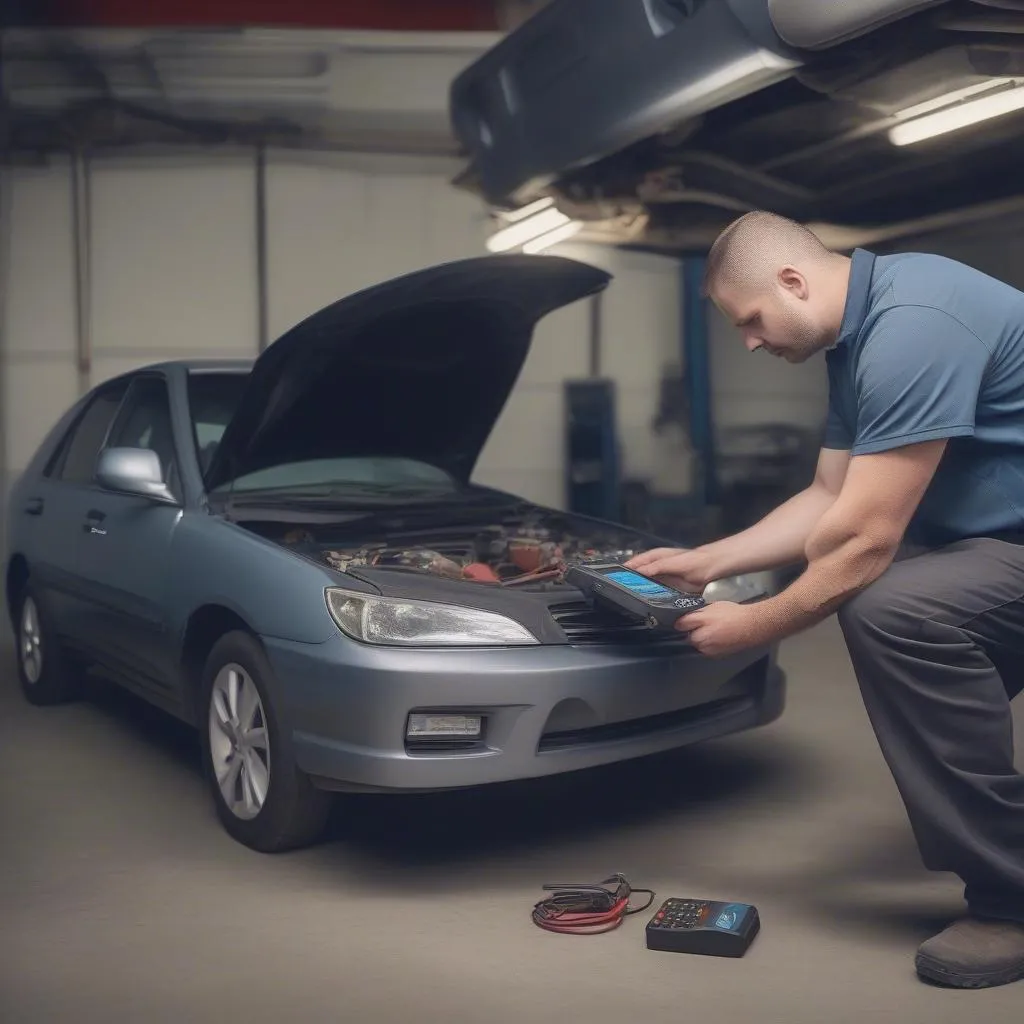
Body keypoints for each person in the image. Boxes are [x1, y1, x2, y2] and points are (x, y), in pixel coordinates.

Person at [626, 210, 1024, 989]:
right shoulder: (863, 334)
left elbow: (864, 540)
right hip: (995, 542)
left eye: (749, 320)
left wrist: (756, 624)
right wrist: (709, 560)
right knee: (896, 597)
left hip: (1006, 546)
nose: (749, 341)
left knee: (892, 607)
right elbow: (828, 496)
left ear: (794, 281)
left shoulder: (914, 325)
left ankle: (1011, 899)